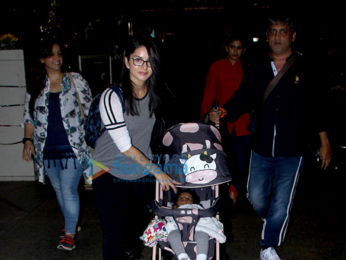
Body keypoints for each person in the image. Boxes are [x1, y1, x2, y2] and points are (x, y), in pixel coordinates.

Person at [209, 15, 332, 260]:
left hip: (293, 148)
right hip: (261, 146)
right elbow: (242, 97)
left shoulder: (304, 68)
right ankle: (274, 218)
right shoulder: (258, 69)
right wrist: (221, 112)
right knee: (254, 196)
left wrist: (324, 140)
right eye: (273, 32)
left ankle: (268, 246)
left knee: (281, 202)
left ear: (292, 36)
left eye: (282, 31)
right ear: (267, 37)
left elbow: (316, 106)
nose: (277, 36)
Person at [91, 35, 180, 260]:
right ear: (127, 61)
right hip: (108, 168)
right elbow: (124, 147)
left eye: (149, 60)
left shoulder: (155, 93)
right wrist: (157, 171)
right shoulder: (112, 96)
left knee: (136, 231)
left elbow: (160, 130)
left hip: (139, 170)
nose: (144, 66)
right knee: (113, 233)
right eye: (138, 60)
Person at [22, 39, 92, 251]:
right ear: (42, 58)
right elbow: (28, 117)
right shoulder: (36, 85)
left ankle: (69, 234)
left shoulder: (76, 81)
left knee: (69, 190)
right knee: (59, 190)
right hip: (46, 149)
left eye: (59, 53)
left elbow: (90, 111)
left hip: (73, 147)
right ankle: (71, 223)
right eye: (51, 55)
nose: (57, 58)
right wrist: (27, 141)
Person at [200, 34, 251, 204]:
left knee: (240, 158)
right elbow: (209, 93)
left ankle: (234, 192)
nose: (235, 51)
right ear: (227, 48)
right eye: (232, 47)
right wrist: (204, 117)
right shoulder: (216, 67)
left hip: (243, 123)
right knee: (220, 157)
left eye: (239, 48)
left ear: (243, 50)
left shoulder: (248, 68)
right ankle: (218, 193)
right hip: (219, 122)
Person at [166, 190, 226, 260]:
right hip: (178, 229)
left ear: (194, 203)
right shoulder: (174, 210)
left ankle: (201, 257)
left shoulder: (197, 208)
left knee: (202, 235)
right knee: (172, 235)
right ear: (175, 205)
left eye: (188, 198)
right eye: (181, 198)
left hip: (197, 228)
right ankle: (182, 256)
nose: (184, 199)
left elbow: (206, 219)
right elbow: (170, 222)